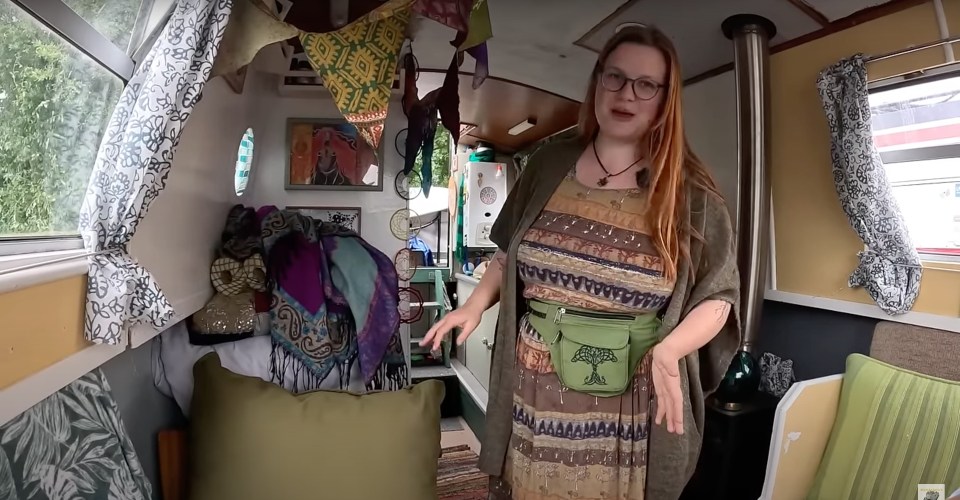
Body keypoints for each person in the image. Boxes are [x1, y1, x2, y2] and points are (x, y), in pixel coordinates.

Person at [421, 24, 741, 500]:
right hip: (535, 387)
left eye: (645, 84)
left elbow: (720, 296)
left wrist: (673, 351)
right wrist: (473, 306)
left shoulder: (690, 192)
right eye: (614, 77)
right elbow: (508, 253)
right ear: (597, 82)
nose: (626, 94)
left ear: (663, 100)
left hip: (628, 403)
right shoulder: (547, 163)